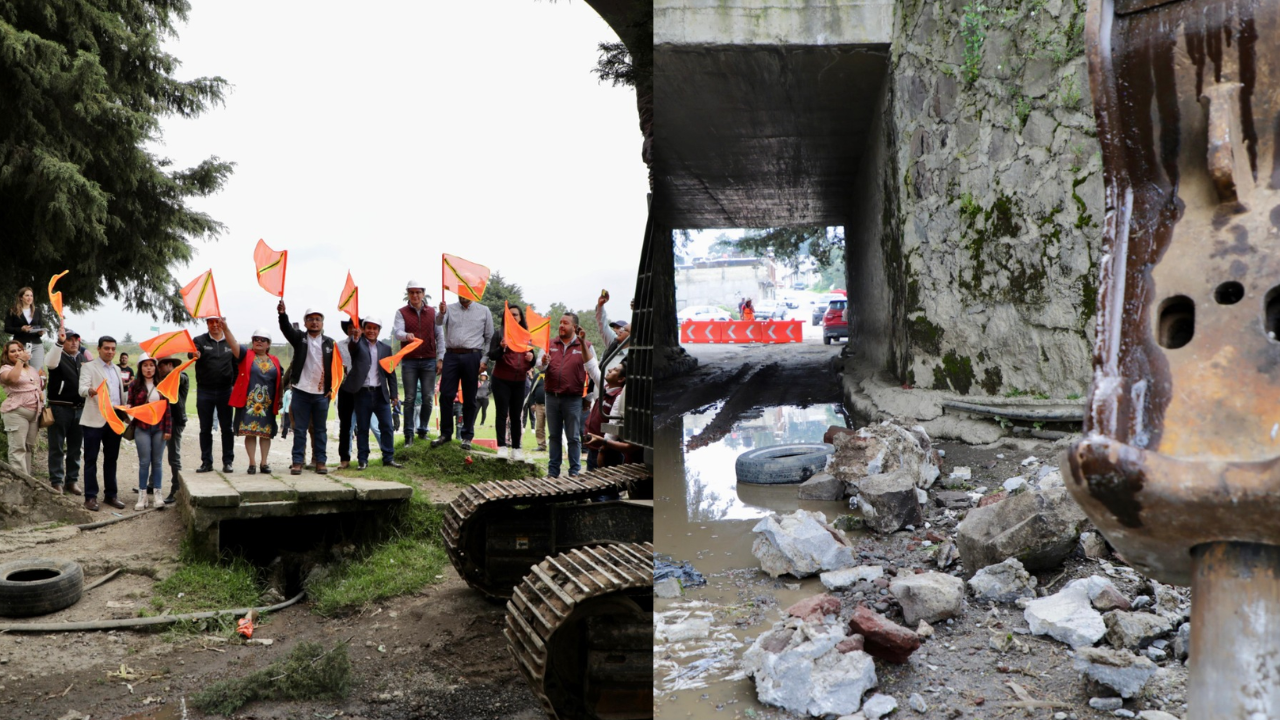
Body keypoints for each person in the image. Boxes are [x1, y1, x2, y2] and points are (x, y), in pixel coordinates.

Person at [278, 302, 340, 475]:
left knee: (320, 430)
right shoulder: (299, 338)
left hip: (321, 394)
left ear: (322, 323)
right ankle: (297, 461)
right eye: (311, 319)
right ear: (305, 323)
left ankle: (321, 461)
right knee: (299, 429)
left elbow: (337, 367)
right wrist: (283, 315)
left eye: (318, 319)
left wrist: (332, 388)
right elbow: (286, 329)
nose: (314, 322)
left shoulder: (330, 343)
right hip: (301, 392)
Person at [433, 293, 493, 451]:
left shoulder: (484, 310)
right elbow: (438, 323)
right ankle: (445, 434)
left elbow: (489, 338)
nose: (463, 296)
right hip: (451, 355)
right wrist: (441, 312)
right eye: (460, 292)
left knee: (469, 397)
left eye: (466, 292)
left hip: (473, 355)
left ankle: (467, 436)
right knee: (446, 394)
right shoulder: (450, 309)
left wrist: (484, 360)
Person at [539, 313, 596, 478]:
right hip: (551, 397)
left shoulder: (586, 345)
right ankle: (553, 471)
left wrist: (589, 398)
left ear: (575, 327)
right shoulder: (549, 344)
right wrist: (543, 361)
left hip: (573, 398)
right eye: (560, 322)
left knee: (573, 436)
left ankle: (574, 471)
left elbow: (593, 372)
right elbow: (539, 367)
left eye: (566, 323)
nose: (561, 325)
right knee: (554, 436)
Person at [392, 281, 444, 446]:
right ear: (408, 293)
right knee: (409, 398)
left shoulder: (433, 312)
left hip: (429, 359)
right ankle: (408, 435)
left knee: (428, 397)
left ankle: (422, 430)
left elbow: (440, 336)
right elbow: (398, 332)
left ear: (423, 293)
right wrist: (407, 335)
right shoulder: (401, 312)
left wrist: (440, 358)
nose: (415, 295)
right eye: (412, 292)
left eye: (418, 292)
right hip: (409, 360)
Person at [79, 335, 126, 511]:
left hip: (114, 418)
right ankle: (90, 497)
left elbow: (119, 394)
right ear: (99, 349)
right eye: (106, 348)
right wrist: (89, 391)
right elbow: (81, 388)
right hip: (94, 419)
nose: (110, 352)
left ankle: (111, 495)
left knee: (111, 459)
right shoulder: (89, 367)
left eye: (113, 349)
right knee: (91, 459)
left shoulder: (116, 369)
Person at [230, 329, 285, 475]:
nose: (259, 341)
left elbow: (279, 381)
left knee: (266, 433)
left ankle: (264, 462)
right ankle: (252, 463)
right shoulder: (245, 355)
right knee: (250, 432)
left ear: (268, 344)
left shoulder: (275, 360)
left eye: (263, 339)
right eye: (256, 339)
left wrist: (280, 397)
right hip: (249, 402)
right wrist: (225, 328)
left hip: (267, 403)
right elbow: (232, 343)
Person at [190, 316, 241, 474]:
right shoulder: (199, 340)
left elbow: (236, 366)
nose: (215, 325)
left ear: (223, 323)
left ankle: (228, 461)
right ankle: (206, 461)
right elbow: (192, 353)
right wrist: (194, 354)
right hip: (205, 391)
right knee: (205, 428)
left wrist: (234, 385)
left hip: (225, 391)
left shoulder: (230, 342)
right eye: (211, 322)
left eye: (217, 322)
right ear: (207, 324)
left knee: (227, 428)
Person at [350, 317, 402, 469]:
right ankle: (362, 460)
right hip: (362, 393)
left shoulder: (386, 349)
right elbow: (352, 347)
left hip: (381, 394)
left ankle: (388, 458)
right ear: (364, 329)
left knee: (387, 426)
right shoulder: (358, 344)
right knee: (363, 428)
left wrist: (394, 395)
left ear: (379, 331)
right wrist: (355, 338)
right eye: (369, 328)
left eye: (375, 328)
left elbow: (390, 372)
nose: (371, 331)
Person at [487, 305, 535, 461]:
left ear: (520, 318)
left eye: (516, 315)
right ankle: (502, 447)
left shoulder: (527, 336)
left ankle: (516, 448)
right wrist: (501, 348)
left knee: (516, 416)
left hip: (520, 381)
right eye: (510, 314)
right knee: (501, 413)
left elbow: (532, 360)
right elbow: (492, 355)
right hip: (501, 380)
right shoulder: (499, 334)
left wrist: (532, 359)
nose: (513, 317)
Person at [46, 328, 88, 494]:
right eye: (70, 339)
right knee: (56, 446)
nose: (73, 342)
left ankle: (72, 480)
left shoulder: (82, 358)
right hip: (59, 408)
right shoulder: (57, 356)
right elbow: (49, 363)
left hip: (79, 409)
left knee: (75, 448)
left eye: (76, 339)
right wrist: (59, 343)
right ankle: (56, 481)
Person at [127, 353, 171, 510]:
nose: (148, 368)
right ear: (140, 367)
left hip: (159, 428)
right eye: (145, 365)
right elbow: (130, 404)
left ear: (155, 367)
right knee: (144, 462)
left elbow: (167, 408)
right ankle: (142, 495)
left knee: (157, 462)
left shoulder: (162, 384)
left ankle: (158, 495)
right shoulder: (134, 385)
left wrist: (168, 429)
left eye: (151, 365)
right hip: (142, 428)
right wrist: (129, 410)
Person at [1, 340, 43, 475]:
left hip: (34, 413)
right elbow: (12, 380)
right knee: (17, 449)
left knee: (28, 448)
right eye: (13, 351)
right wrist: (20, 361)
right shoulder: (5, 369)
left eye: (19, 350)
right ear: (7, 355)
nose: (17, 353)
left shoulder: (30, 369)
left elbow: (35, 386)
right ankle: (19, 483)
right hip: (16, 412)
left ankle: (27, 482)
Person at [156, 356, 189, 504]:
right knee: (155, 453)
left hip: (175, 420)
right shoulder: (161, 379)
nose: (158, 370)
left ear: (170, 365)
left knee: (173, 457)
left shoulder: (181, 377)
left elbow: (179, 377)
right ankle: (152, 484)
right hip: (163, 419)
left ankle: (177, 489)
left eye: (160, 366)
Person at [584, 362, 627, 471]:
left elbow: (613, 426)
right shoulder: (606, 390)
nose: (609, 370)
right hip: (595, 447)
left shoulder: (619, 396)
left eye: (615, 370)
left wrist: (602, 450)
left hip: (606, 451)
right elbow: (592, 367)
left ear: (621, 379)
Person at [336, 319, 362, 469]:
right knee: (345, 426)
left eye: (357, 327)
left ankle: (362, 457)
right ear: (347, 330)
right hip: (345, 388)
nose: (353, 330)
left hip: (363, 389)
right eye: (351, 327)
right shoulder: (339, 346)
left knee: (364, 425)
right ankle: (344, 458)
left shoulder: (366, 344)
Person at [4, 287, 47, 375]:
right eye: (27, 295)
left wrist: (40, 332)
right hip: (20, 345)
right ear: (21, 297)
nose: (29, 298)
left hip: (36, 344)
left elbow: (40, 326)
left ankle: (38, 388)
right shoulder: (12, 311)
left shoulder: (37, 311)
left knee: (37, 371)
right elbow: (7, 328)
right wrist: (21, 329)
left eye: (31, 295)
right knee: (23, 372)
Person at [523, 368, 547, 452]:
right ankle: (541, 445)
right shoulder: (537, 376)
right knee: (539, 426)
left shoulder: (552, 374)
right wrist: (532, 403)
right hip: (539, 405)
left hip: (551, 405)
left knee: (554, 427)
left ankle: (556, 446)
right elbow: (532, 390)